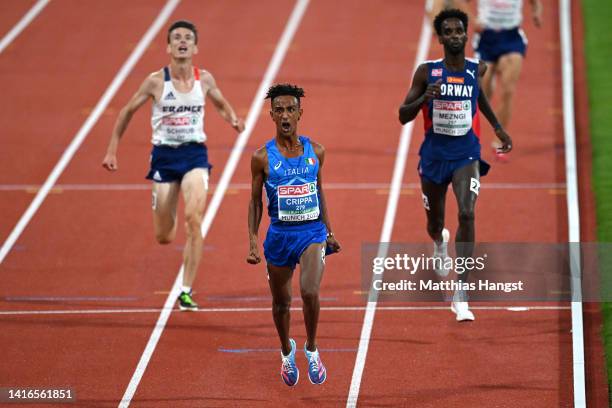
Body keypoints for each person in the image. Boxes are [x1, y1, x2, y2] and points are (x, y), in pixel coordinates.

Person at [102, 20, 244, 311]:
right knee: (164, 235)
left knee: (194, 220)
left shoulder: (204, 79)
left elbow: (219, 102)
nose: (182, 41)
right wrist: (112, 149)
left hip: (194, 155)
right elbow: (127, 111)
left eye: (187, 38)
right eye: (176, 37)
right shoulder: (155, 81)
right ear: (168, 47)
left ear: (195, 47)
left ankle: (186, 290)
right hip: (164, 158)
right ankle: (168, 205)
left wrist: (232, 118)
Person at [398, 9, 512, 321]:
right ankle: (439, 242)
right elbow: (402, 115)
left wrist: (498, 127)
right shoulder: (427, 72)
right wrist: (424, 99)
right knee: (435, 224)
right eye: (447, 31)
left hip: (466, 154)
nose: (454, 36)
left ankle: (461, 294)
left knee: (467, 212)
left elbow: (478, 98)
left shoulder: (478, 68)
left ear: (465, 34)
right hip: (434, 156)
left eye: (459, 30)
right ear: (440, 38)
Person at [247, 83, 341, 386]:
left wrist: (329, 231)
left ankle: (311, 349)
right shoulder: (262, 157)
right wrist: (252, 240)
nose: (285, 115)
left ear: (300, 113)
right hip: (279, 237)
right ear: (271, 115)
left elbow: (320, 191)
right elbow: (254, 201)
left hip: (311, 232)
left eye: (290, 109)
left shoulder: (317, 152)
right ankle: (287, 351)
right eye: (280, 110)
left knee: (310, 291)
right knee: (281, 303)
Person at [469, 0, 542, 160]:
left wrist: (536, 12)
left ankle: (499, 142)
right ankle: (491, 79)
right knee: (483, 94)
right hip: (486, 39)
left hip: (511, 39)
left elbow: (535, 2)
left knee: (508, 91)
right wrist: (472, 20)